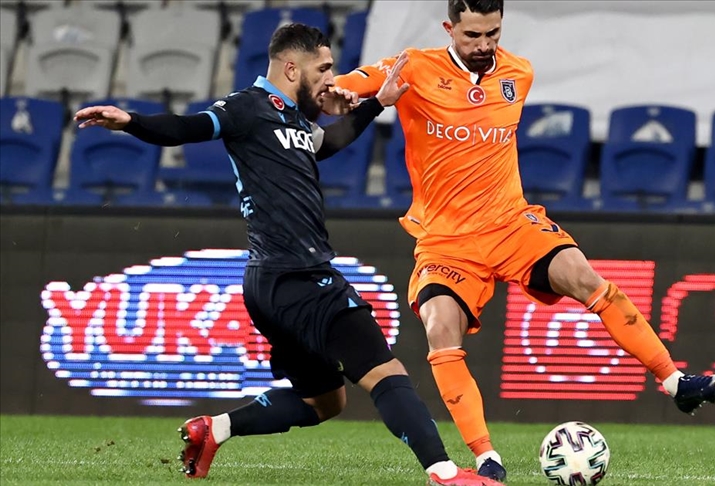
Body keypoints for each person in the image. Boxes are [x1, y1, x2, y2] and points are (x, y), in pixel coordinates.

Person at [74, 23, 503, 486]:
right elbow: (187, 127)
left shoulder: (295, 119)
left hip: (269, 285)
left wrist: (378, 103)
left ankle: (215, 429)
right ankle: (444, 473)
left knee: (325, 402)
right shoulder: (246, 108)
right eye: (324, 69)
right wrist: (132, 122)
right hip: (300, 275)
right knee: (385, 371)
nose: (330, 79)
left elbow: (327, 144)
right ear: (292, 68)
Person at [335, 0, 715, 480]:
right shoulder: (414, 67)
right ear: (449, 28)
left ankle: (674, 381)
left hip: (511, 224)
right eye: (472, 35)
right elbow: (344, 88)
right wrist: (340, 92)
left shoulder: (518, 73)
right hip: (446, 238)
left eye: (493, 34)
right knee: (440, 329)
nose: (484, 45)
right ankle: (487, 457)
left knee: (586, 278)